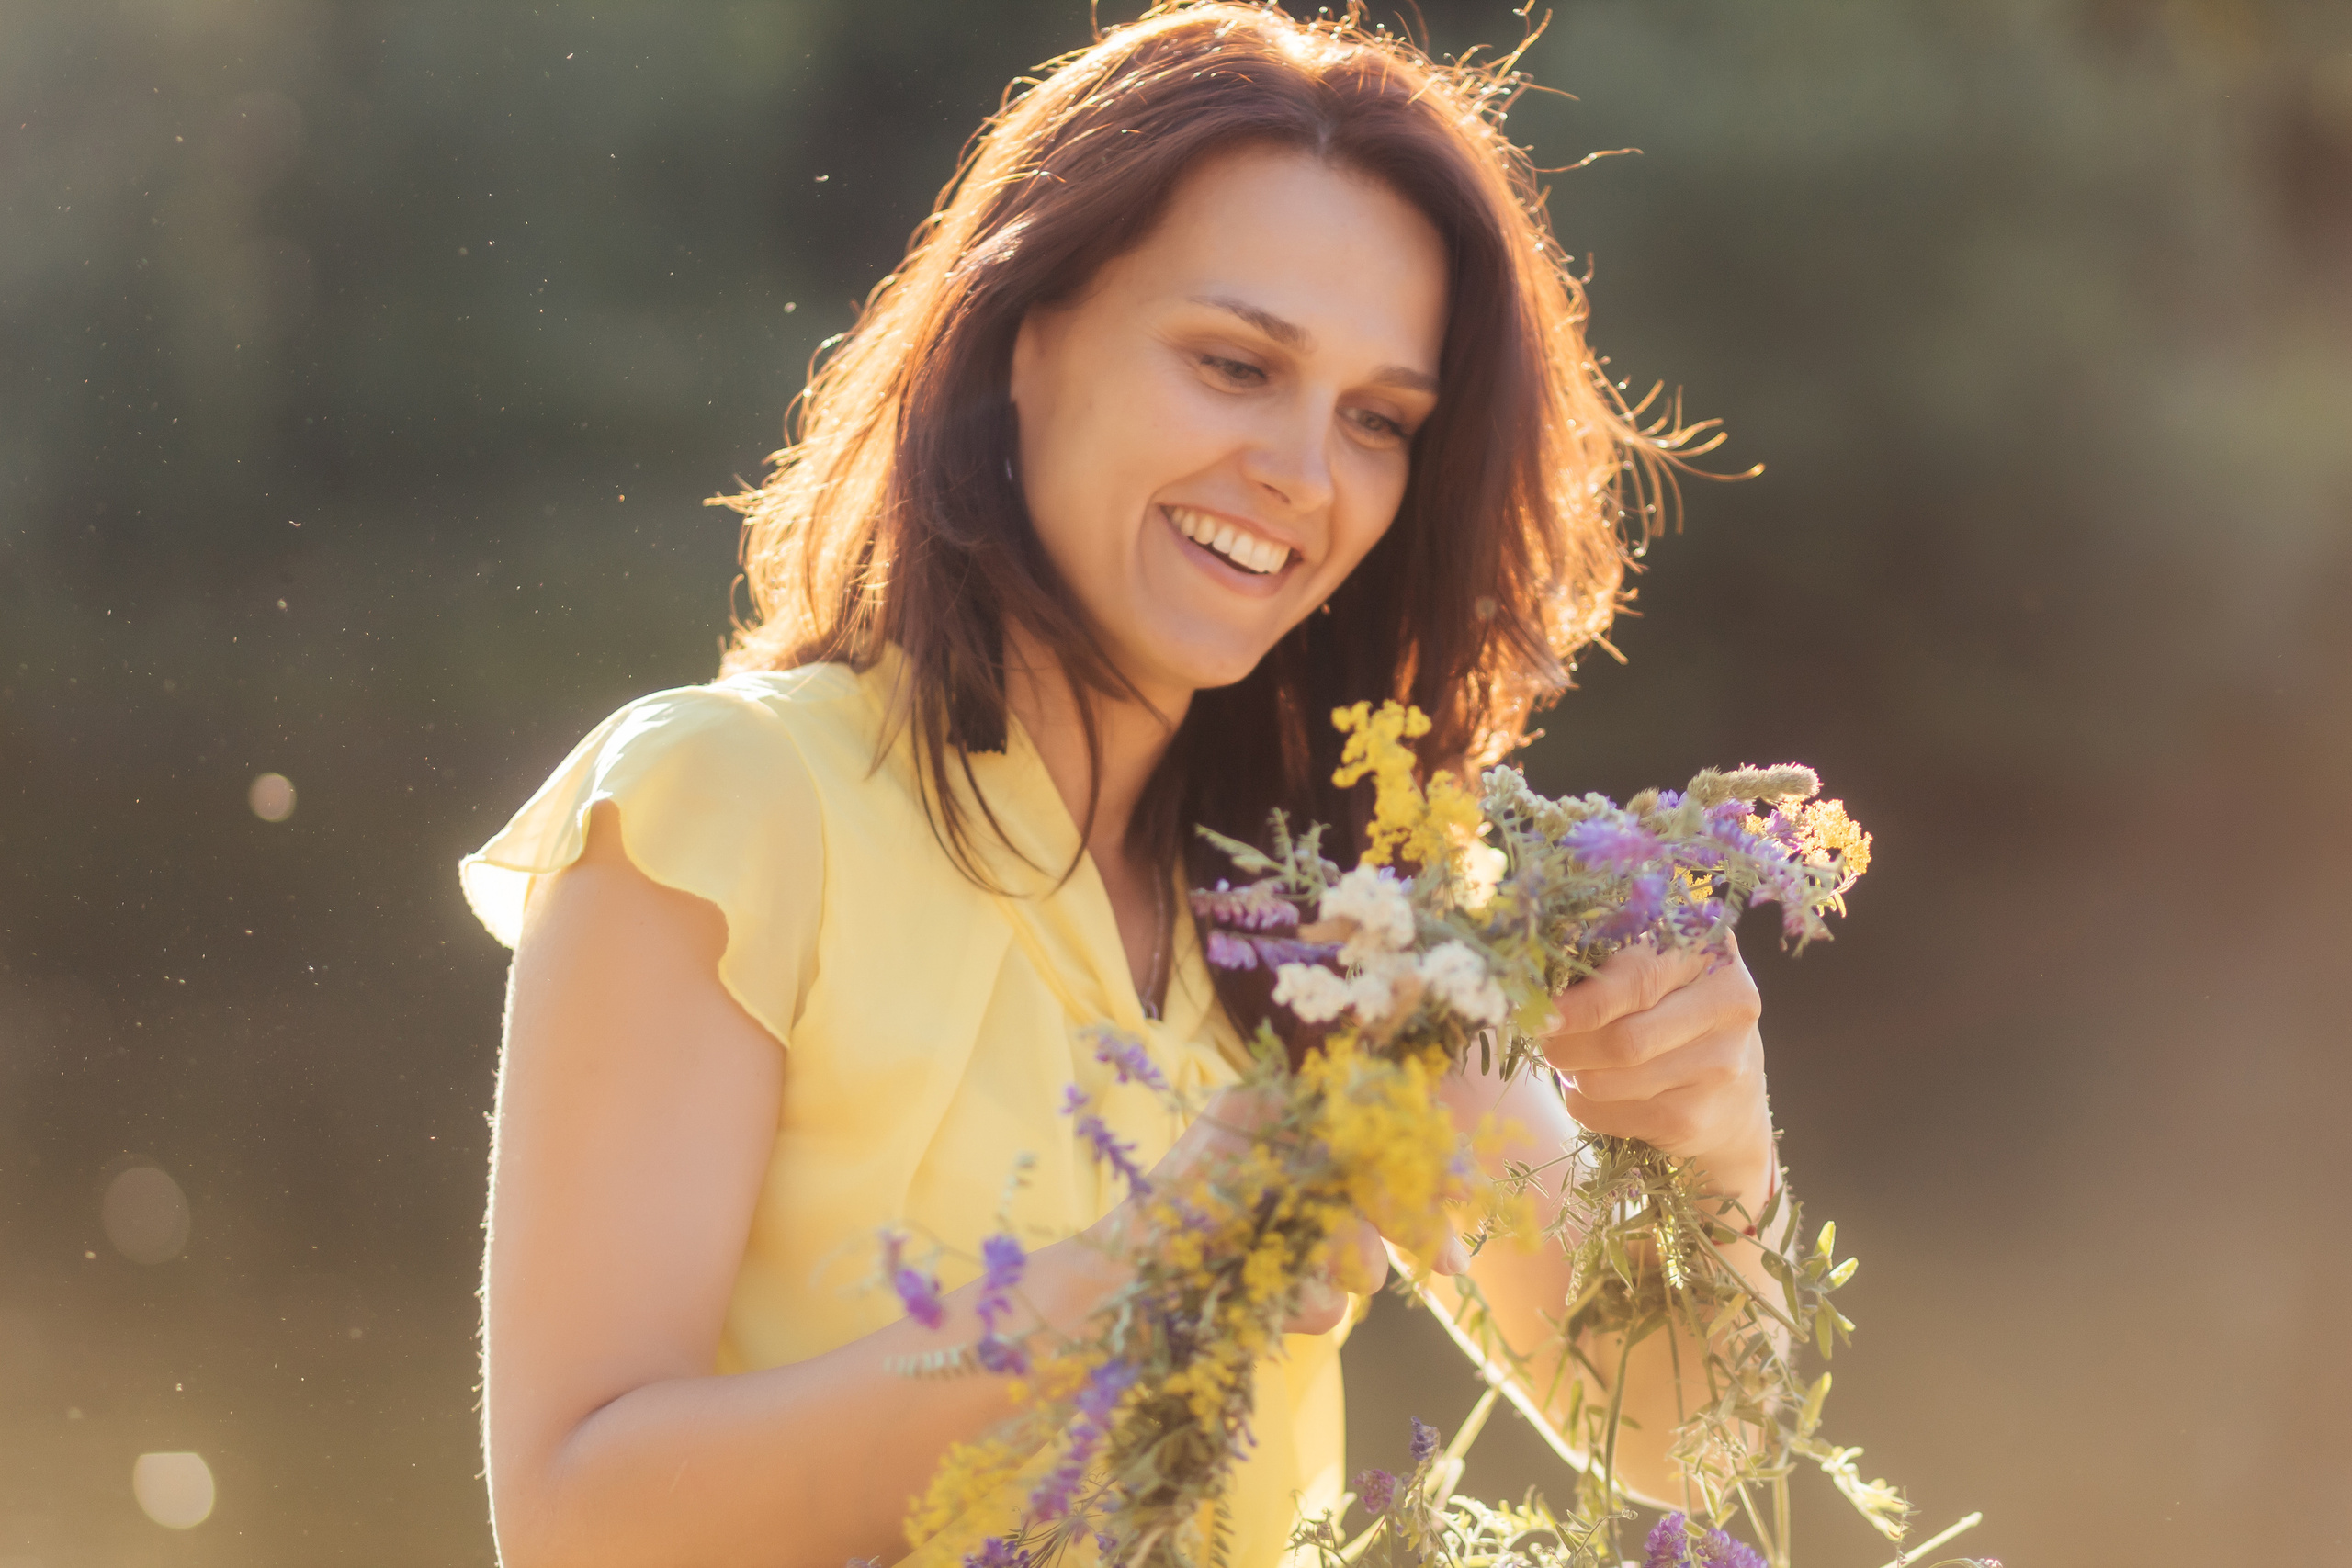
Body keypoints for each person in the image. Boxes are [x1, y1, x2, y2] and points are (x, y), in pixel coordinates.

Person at [460, 6, 1784, 1564]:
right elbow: (576, 1518)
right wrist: (1123, 1296)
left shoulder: (1353, 917)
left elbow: (1688, 1432)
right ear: (1023, 337)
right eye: (1234, 364)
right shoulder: (724, 802)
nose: (1304, 472)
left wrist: (1712, 1135)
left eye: (1378, 421)